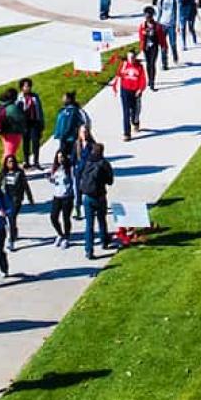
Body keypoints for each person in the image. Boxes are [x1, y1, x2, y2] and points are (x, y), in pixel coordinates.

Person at [72, 127, 115, 258]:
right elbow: (110, 181)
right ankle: (104, 241)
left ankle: (89, 250)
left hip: (87, 196)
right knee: (102, 220)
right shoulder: (104, 163)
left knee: (89, 225)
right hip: (100, 196)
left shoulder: (87, 162)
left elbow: (78, 173)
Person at [0, 153, 31, 250]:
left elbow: (25, 186)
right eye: (8, 162)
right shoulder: (3, 173)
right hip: (6, 199)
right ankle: (14, 231)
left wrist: (30, 198)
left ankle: (11, 241)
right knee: (11, 219)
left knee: (11, 218)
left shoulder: (19, 173)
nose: (10, 163)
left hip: (16, 200)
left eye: (12, 161)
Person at [113, 49, 147, 136]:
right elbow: (118, 74)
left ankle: (135, 122)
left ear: (135, 57)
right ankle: (126, 133)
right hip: (125, 91)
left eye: (132, 57)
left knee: (136, 110)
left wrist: (140, 89)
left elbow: (143, 80)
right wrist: (120, 73)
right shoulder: (124, 65)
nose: (131, 59)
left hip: (136, 92)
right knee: (126, 112)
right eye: (129, 57)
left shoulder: (139, 67)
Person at [15, 78, 47, 169]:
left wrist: (41, 122)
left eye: (29, 86)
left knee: (35, 142)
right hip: (25, 123)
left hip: (34, 122)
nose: (28, 88)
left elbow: (39, 110)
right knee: (26, 142)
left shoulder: (35, 96)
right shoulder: (19, 97)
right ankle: (26, 161)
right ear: (22, 87)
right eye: (26, 86)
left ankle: (36, 161)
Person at [0, 88, 24, 166]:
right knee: (9, 153)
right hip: (13, 134)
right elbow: (21, 119)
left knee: (8, 151)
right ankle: (6, 170)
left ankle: (8, 168)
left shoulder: (1, 105)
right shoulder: (12, 108)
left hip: (5, 133)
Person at [138, 5, 167, 84]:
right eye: (146, 17)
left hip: (154, 47)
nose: (148, 19)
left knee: (152, 63)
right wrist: (144, 33)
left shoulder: (157, 26)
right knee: (148, 63)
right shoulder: (142, 26)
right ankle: (149, 79)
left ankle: (152, 81)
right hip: (146, 48)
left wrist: (164, 46)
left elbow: (162, 38)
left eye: (149, 17)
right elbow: (140, 38)